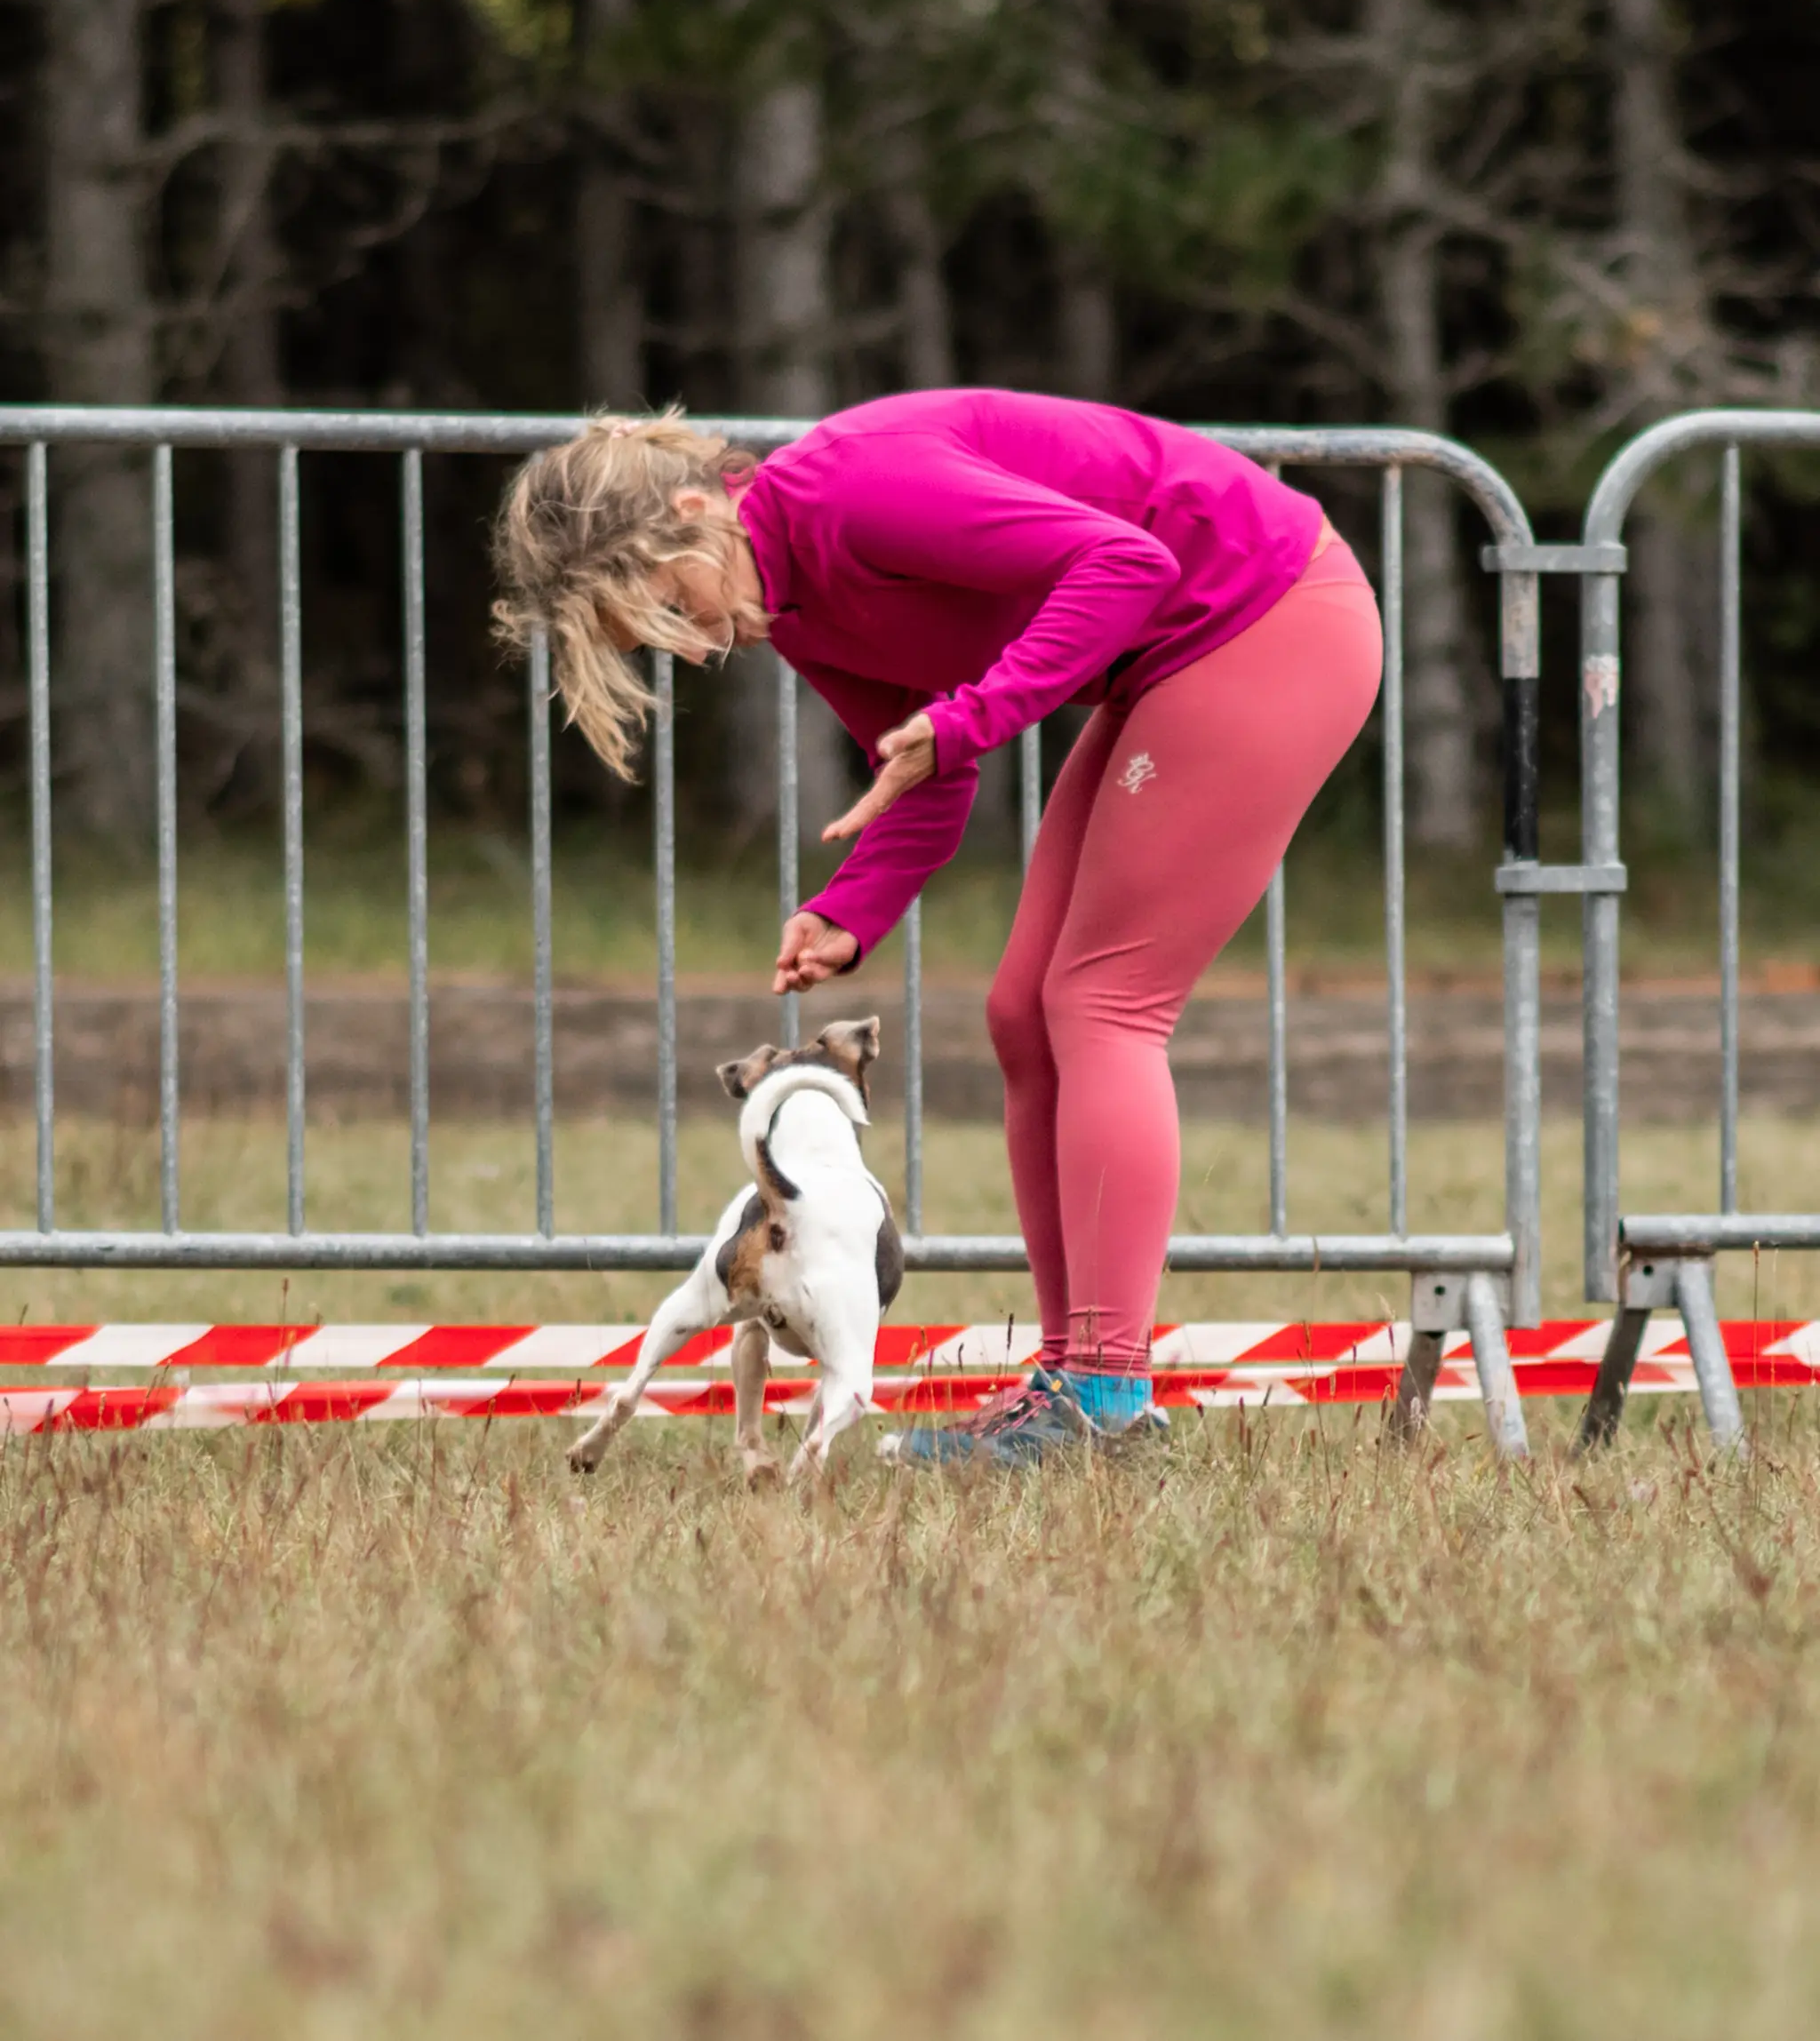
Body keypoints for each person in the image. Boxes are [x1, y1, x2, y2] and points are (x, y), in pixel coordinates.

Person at [491, 388, 1383, 1464]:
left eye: (668, 609)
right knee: (1022, 1012)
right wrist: (845, 911)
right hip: (1171, 654)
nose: (686, 649)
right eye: (652, 640)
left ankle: (1101, 1399)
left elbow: (1123, 567)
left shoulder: (852, 491)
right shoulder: (790, 601)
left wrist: (966, 715)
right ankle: (1073, 1385)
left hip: (1266, 612)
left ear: (694, 509)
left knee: (1099, 1003)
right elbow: (926, 769)